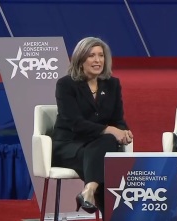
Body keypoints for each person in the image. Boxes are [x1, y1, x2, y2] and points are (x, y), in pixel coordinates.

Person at [51, 37, 133, 218]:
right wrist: (110, 130)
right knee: (107, 161)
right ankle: (110, 213)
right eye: (91, 56)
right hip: (69, 145)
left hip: (97, 145)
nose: (98, 60)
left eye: (101, 55)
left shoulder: (112, 84)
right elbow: (75, 123)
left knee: (105, 149)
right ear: (80, 60)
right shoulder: (66, 84)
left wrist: (124, 131)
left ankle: (89, 189)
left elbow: (117, 119)